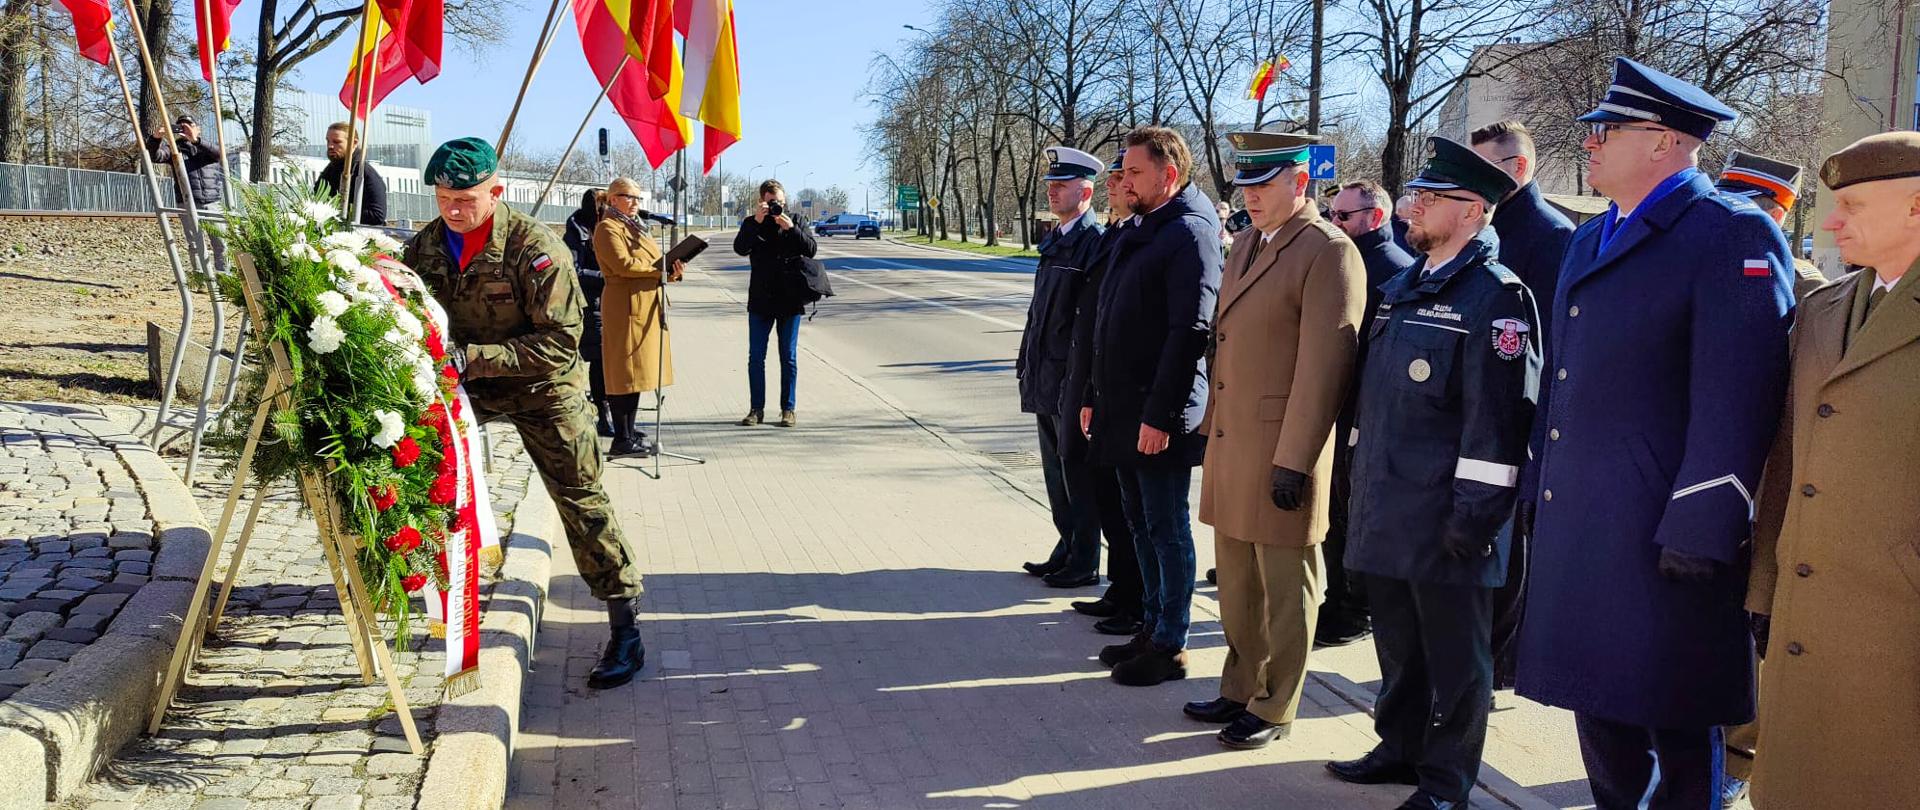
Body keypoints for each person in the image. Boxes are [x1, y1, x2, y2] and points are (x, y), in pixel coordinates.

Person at [1514, 58, 1794, 808]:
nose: (1592, 142)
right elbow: (1566, 377)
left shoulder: (1728, 232)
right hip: (1585, 517)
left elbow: (1742, 391)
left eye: (1607, 130)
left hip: (1664, 529)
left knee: (1674, 713)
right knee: (1597, 705)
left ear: (1665, 142)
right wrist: (1542, 483)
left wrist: (1705, 522)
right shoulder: (1592, 236)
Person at [1328, 137, 1539, 810]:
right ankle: (1399, 748)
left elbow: (1500, 422)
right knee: (1399, 646)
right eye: (1414, 196)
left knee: (1456, 662)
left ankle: (1446, 784)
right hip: (1390, 507)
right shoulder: (1401, 289)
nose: (1412, 208)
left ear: (1472, 210)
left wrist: (1474, 519)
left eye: (1428, 199)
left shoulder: (1496, 300)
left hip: (1450, 519)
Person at [401, 137, 646, 690]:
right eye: (443, 198)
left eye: (465, 199)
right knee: (413, 465)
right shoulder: (428, 246)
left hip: (543, 386)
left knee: (580, 496)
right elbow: (405, 299)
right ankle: (423, 586)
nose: (453, 210)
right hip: (472, 385)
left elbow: (562, 342)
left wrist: (475, 357)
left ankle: (624, 623)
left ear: (497, 192)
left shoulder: (535, 248)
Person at [1741, 131, 1920, 809]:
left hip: (1895, 631)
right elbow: (1787, 461)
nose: (1832, 221)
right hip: (1805, 618)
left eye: (1852, 205)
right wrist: (1765, 587)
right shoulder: (1822, 311)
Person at [1185, 130, 1363, 749]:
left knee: (1285, 591)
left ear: (1300, 182)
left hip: (1282, 453)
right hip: (1233, 445)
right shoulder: (1248, 246)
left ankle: (1275, 705)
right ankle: (1239, 686)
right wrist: (1206, 429)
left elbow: (1325, 367)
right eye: (1246, 185)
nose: (1252, 197)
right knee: (1237, 585)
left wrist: (1296, 461)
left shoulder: (1327, 251)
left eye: (1264, 185)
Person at [1072, 126, 1221, 687]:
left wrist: (1161, 417)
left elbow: (1189, 333)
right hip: (1123, 407)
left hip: (1158, 414)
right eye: (1122, 171)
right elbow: (1109, 322)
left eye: (1134, 172)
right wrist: (1093, 398)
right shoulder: (1144, 228)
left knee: (1165, 527)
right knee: (1138, 523)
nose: (1121, 180)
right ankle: (1151, 625)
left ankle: (1171, 643)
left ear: (1169, 176)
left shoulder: (1188, 234)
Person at [1708, 149, 1821, 806]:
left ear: (1778, 212)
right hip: (1709, 485)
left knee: (1754, 640)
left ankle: (1733, 765)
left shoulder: (1809, 293)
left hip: (1770, 491)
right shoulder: (1711, 270)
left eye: (1749, 207)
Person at [1466, 119, 1575, 690]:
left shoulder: (1550, 236)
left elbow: (1554, 344)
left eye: (1485, 169)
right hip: (1478, 415)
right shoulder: (1486, 226)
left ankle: (1498, 667)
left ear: (1519, 168)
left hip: (1519, 421)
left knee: (1505, 558)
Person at [1317, 179, 1416, 647]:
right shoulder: (1349, 259)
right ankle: (1338, 599)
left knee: (1354, 516)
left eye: (1344, 216)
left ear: (1374, 218)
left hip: (1366, 416)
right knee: (1335, 516)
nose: (1334, 223)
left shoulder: (1394, 269)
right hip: (1340, 410)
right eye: (1331, 214)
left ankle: (1356, 609)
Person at [1017, 147, 1109, 588]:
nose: (1052, 192)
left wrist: (1085, 386)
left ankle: (1085, 558)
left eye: (1062, 185)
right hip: (1045, 374)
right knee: (1055, 473)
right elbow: (1040, 315)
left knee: (1078, 473)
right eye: (1051, 185)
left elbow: (1086, 325)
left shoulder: (1093, 243)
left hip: (1069, 381)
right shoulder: (1056, 241)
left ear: (1086, 191)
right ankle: (1067, 544)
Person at [1066, 147, 1146, 638]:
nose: (1116, 185)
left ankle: (1135, 597)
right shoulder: (1115, 236)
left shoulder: (1132, 235)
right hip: (1096, 381)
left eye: (1121, 178)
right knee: (1109, 498)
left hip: (1124, 390)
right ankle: (1121, 589)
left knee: (1130, 507)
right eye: (1114, 177)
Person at [595, 177, 685, 458]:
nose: (635, 203)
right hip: (625, 307)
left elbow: (652, 262)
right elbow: (623, 265)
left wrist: (672, 269)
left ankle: (630, 432)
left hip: (646, 305)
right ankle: (621, 438)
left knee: (638, 374)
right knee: (624, 372)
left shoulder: (636, 227)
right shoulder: (608, 228)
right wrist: (660, 271)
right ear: (613, 199)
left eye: (638, 198)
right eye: (629, 197)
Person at [733, 179, 818, 427]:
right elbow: (740, 248)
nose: (777, 207)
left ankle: (788, 410)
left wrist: (791, 229)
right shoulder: (752, 223)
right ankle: (756, 409)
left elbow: (812, 249)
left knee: (788, 357)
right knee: (756, 357)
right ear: (762, 201)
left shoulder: (796, 221)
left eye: (780, 202)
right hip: (760, 299)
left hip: (790, 299)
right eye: (772, 203)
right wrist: (758, 222)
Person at [1715, 151, 1827, 299]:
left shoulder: (1802, 285)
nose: (1717, 212)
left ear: (1774, 217)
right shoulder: (1701, 260)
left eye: (1736, 207)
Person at [564, 189, 613, 437]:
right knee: (598, 359)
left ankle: (613, 413)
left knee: (608, 360)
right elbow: (574, 271)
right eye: (605, 208)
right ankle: (601, 414)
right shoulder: (576, 234)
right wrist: (606, 278)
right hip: (589, 305)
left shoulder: (608, 228)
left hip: (611, 304)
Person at [314, 121, 389, 226]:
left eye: (336, 142)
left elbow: (377, 215)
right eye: (328, 141)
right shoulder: (330, 171)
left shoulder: (364, 173)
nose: (330, 146)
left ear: (353, 143)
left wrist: (340, 211)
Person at [146, 114, 225, 210]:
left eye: (190, 126)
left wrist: (196, 141)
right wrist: (155, 139)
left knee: (217, 225)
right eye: (182, 127)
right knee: (191, 225)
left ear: (198, 129)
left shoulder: (207, 146)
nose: (186, 129)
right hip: (186, 202)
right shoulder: (174, 147)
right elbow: (156, 157)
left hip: (212, 202)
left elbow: (220, 154)